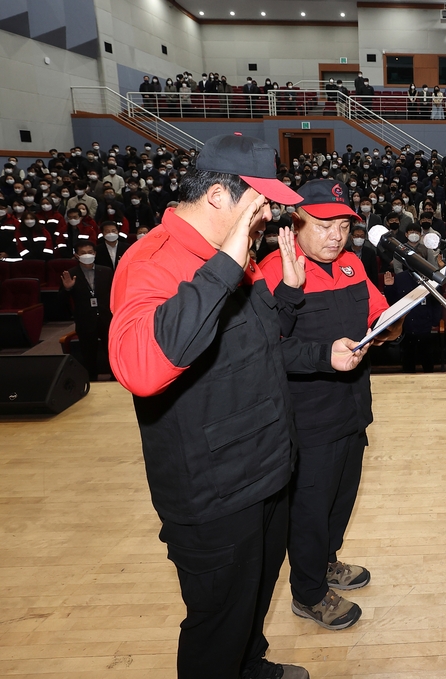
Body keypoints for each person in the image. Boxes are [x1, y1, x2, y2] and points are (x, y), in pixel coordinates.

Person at [108, 134, 367, 679]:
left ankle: (248, 665)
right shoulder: (151, 261)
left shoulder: (238, 260)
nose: (270, 216)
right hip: (213, 492)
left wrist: (289, 295)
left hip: (264, 473)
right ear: (220, 198)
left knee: (252, 599)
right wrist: (228, 263)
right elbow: (139, 368)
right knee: (217, 621)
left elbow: (258, 345)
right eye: (261, 203)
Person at [259, 180, 398, 632]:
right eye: (324, 225)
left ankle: (325, 562)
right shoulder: (270, 272)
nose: (336, 236)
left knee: (340, 501)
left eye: (342, 225)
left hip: (353, 409)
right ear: (295, 223)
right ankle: (308, 592)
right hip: (308, 420)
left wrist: (390, 327)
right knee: (310, 510)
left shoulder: (353, 265)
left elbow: (377, 316)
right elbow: (265, 351)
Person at [59, 241, 113, 380]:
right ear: (76, 255)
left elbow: (114, 294)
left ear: (95, 253)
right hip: (85, 320)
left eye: (90, 252)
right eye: (83, 253)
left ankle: (116, 378)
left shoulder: (106, 271)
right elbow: (61, 300)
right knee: (88, 354)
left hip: (107, 319)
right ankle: (91, 380)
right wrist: (68, 288)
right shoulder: (70, 274)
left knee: (112, 352)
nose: (87, 255)